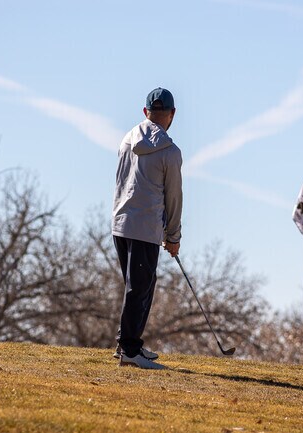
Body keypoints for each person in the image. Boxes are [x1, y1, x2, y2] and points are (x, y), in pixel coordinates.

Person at [111, 87, 182, 369]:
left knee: (138, 288)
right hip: (145, 227)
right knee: (139, 290)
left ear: (145, 112)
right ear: (172, 115)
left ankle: (128, 344)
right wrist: (173, 236)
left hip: (120, 224)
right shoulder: (171, 152)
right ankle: (129, 349)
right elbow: (173, 197)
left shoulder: (126, 140)